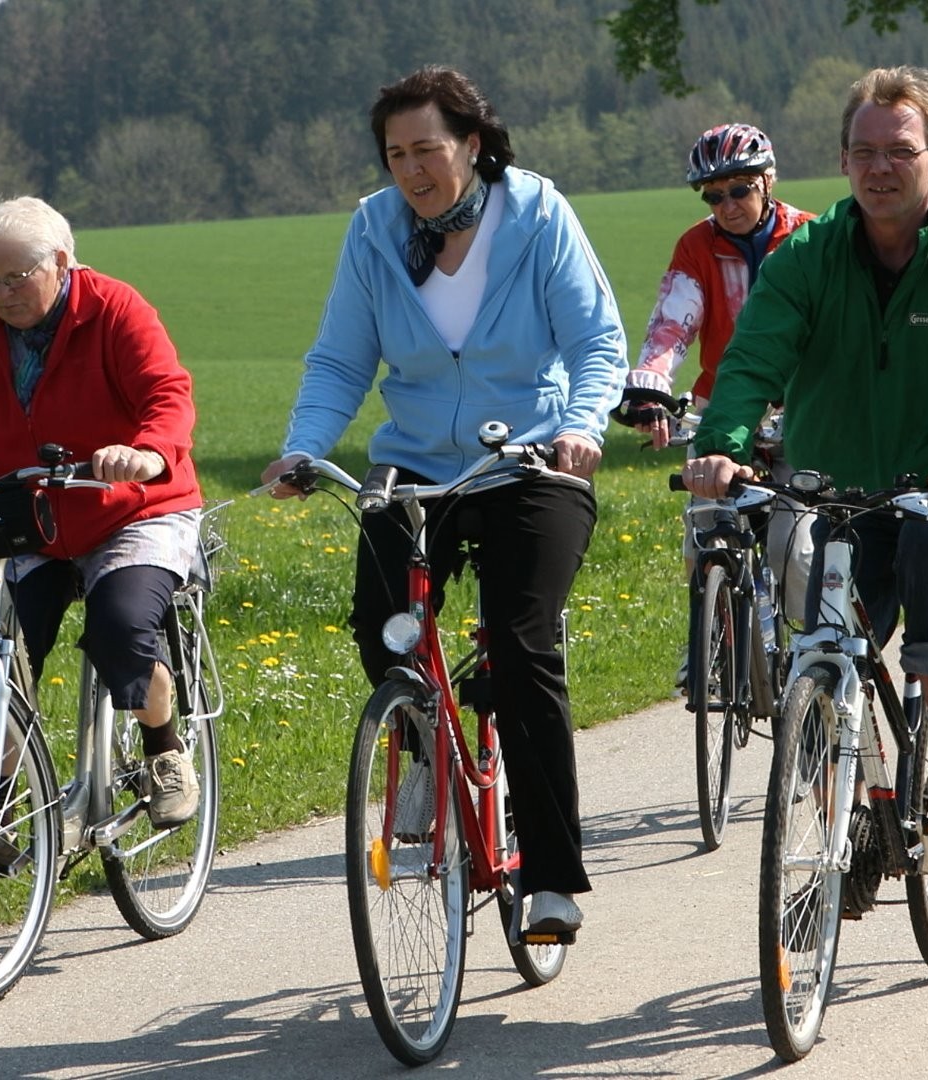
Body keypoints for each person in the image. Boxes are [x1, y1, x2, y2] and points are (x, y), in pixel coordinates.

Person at [260, 65, 627, 934]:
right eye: (396, 155)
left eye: (429, 149)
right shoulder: (375, 228)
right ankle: (421, 741)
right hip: (415, 464)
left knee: (521, 642)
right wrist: (304, 446)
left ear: (472, 143)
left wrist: (581, 427)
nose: (413, 171)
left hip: (529, 463)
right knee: (380, 622)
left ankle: (550, 880)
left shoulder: (536, 215)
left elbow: (595, 338)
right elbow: (342, 358)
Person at [682, 66, 928, 848]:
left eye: (901, 150)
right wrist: (721, 447)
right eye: (864, 151)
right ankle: (846, 824)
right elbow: (753, 360)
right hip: (836, 492)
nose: (881, 167)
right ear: (845, 161)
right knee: (822, 650)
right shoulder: (808, 258)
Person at [0, 195, 205, 838]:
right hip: (32, 517)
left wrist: (144, 454)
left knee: (122, 628)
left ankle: (163, 750)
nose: (0, 294)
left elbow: (167, 395)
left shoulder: (115, 310)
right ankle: (6, 804)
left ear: (61, 261)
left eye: (16, 277)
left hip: (132, 509)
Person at [624, 124, 815, 683]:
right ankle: (708, 636)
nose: (727, 205)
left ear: (768, 180)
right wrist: (649, 387)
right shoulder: (697, 245)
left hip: (803, 408)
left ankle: (815, 663)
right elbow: (671, 324)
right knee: (706, 524)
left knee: (794, 551)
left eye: (738, 190)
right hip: (723, 405)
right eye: (713, 195)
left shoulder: (809, 236)